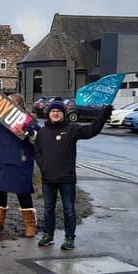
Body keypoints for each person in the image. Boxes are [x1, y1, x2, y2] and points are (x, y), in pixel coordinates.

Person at [34, 100, 112, 250]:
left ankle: (69, 237)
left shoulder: (71, 129)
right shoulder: (42, 132)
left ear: (63, 114)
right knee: (48, 208)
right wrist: (43, 165)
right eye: (52, 111)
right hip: (48, 178)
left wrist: (103, 115)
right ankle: (48, 235)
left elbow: (91, 131)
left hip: (66, 178)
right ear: (48, 114)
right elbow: (36, 151)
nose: (55, 114)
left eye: (58, 111)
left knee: (69, 209)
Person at [0, 93, 39, 236]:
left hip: (18, 160)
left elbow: (37, 140)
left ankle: (29, 224)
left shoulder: (28, 122)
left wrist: (31, 133)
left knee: (22, 190)